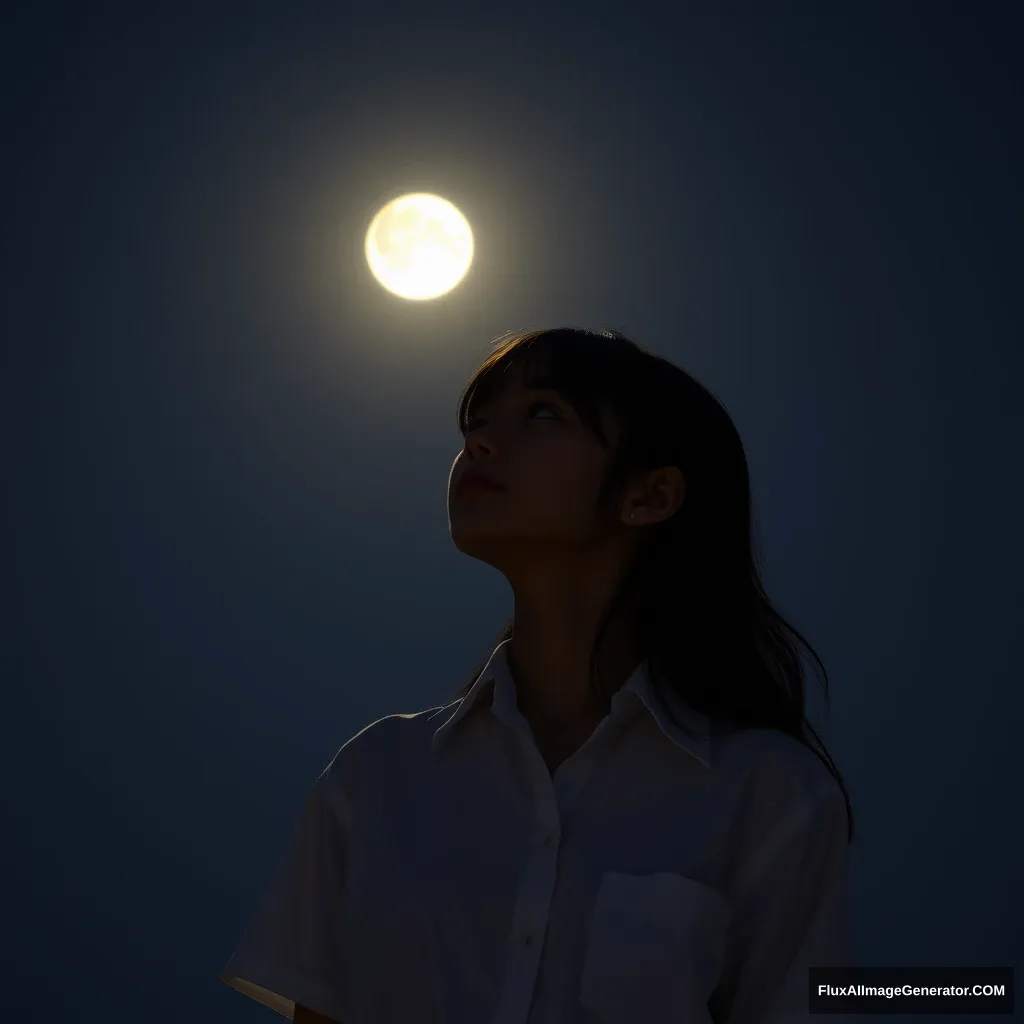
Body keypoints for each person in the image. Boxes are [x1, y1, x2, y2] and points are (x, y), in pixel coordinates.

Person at [221, 327, 857, 1024]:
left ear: (650, 496)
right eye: (477, 422)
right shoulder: (377, 776)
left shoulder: (768, 794)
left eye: (543, 414)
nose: (480, 443)